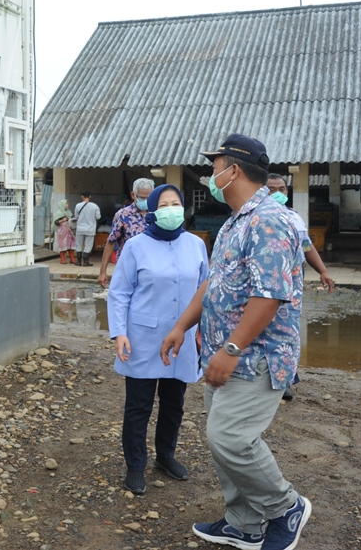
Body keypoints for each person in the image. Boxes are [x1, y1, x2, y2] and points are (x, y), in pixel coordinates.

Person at [160, 134, 311, 550]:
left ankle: (286, 507)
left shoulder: (269, 221)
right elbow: (214, 282)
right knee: (220, 438)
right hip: (223, 355)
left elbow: (271, 294)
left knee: (231, 439)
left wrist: (230, 349)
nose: (212, 175)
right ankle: (244, 523)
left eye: (215, 166)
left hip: (255, 357)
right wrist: (182, 326)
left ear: (235, 170)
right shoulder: (234, 222)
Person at [107, 184, 208, 495]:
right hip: (143, 337)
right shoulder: (136, 246)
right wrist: (119, 332)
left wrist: (203, 331)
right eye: (163, 204)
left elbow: (206, 290)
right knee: (138, 406)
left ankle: (165, 456)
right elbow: (119, 292)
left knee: (173, 404)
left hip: (184, 339)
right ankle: (135, 466)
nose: (170, 209)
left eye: (175, 203)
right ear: (152, 210)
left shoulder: (196, 245)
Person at [266, 173, 334, 402]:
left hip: (291, 285)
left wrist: (323, 271)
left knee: (289, 331)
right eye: (271, 189)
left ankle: (285, 379)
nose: (277, 193)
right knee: (262, 328)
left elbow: (307, 246)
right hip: (264, 284)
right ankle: (264, 377)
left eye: (281, 189)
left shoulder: (294, 218)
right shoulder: (254, 218)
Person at [99, 178, 154, 287]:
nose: (146, 201)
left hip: (152, 269)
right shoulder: (122, 215)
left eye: (149, 198)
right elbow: (111, 242)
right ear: (133, 195)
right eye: (142, 198)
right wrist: (102, 271)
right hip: (127, 269)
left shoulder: (156, 214)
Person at [73, 191, 101, 267]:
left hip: (80, 228)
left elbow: (76, 217)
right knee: (88, 245)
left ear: (82, 197)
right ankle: (86, 262)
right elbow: (98, 217)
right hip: (90, 229)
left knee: (78, 245)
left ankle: (78, 261)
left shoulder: (78, 206)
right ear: (90, 197)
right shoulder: (95, 206)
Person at [53, 199, 76, 264]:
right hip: (62, 231)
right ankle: (62, 259)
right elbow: (56, 222)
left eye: (67, 203)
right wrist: (63, 220)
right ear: (62, 205)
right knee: (63, 244)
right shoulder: (59, 213)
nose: (67, 205)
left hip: (70, 231)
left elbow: (72, 218)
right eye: (66, 203)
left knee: (71, 244)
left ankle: (72, 259)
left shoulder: (69, 212)